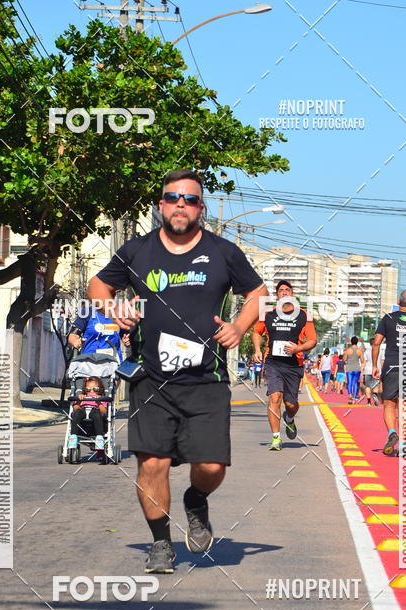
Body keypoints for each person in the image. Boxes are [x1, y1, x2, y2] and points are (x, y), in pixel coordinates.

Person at [87, 169, 266, 574]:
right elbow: (97, 286)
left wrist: (240, 325)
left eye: (189, 199)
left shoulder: (224, 252)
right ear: (161, 205)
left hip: (207, 379)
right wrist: (112, 308)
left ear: (200, 208)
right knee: (152, 464)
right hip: (152, 378)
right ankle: (160, 543)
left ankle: (196, 501)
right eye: (172, 198)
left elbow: (257, 294)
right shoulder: (136, 252)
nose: (180, 205)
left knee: (211, 466)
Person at [251, 280, 317, 450]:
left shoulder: (303, 315)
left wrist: (298, 348)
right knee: (275, 397)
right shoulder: (267, 313)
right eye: (281, 290)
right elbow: (256, 333)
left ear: (292, 294)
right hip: (273, 363)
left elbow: (313, 340)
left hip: (294, 365)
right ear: (276, 295)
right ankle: (276, 438)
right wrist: (257, 349)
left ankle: (289, 418)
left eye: (288, 290)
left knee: (291, 404)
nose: (285, 293)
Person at [372, 289, 406, 456]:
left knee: (389, 403)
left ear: (398, 301)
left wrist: (374, 365)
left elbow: (376, 343)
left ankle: (391, 432)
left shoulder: (388, 319)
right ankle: (403, 442)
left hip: (391, 366)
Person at [69, 377, 108, 451]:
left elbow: (104, 411)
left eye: (95, 389)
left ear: (100, 389)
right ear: (85, 390)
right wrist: (79, 400)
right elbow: (75, 408)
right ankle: (73, 436)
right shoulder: (83, 397)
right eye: (88, 389)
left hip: (95, 411)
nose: (91, 391)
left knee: (97, 414)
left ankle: (99, 437)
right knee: (76, 413)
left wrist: (99, 402)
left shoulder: (102, 398)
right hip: (83, 411)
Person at [361, 337, 383, 406]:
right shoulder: (380, 351)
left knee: (367, 386)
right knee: (376, 385)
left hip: (367, 370)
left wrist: (361, 370)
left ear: (370, 344)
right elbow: (382, 361)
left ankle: (369, 402)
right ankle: (375, 395)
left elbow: (364, 362)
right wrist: (381, 370)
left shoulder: (366, 351)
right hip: (377, 370)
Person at [343, 336, 365, 404]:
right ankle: (354, 397)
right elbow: (362, 360)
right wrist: (362, 369)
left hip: (349, 368)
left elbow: (344, 359)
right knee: (355, 383)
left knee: (349, 383)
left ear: (351, 342)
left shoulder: (348, 350)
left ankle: (350, 395)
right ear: (357, 342)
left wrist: (345, 353)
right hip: (357, 368)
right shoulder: (359, 351)